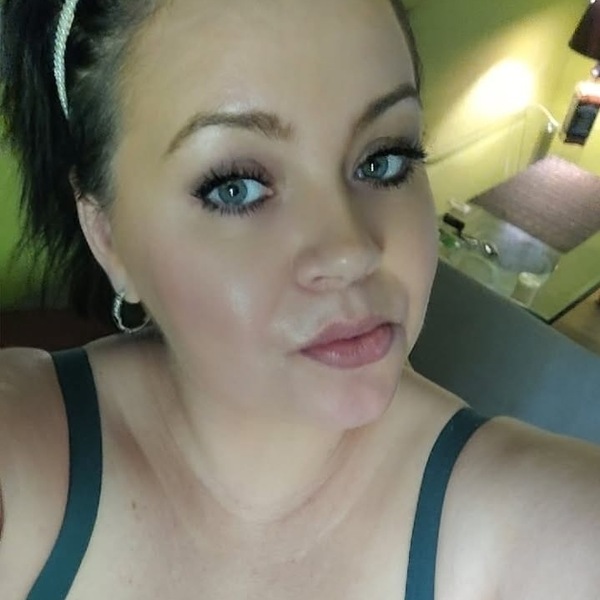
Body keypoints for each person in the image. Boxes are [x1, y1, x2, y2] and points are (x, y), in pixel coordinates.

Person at [0, 0, 599, 598]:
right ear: (107, 236)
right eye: (236, 188)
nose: (351, 252)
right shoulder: (25, 449)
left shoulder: (545, 527)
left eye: (384, 160)